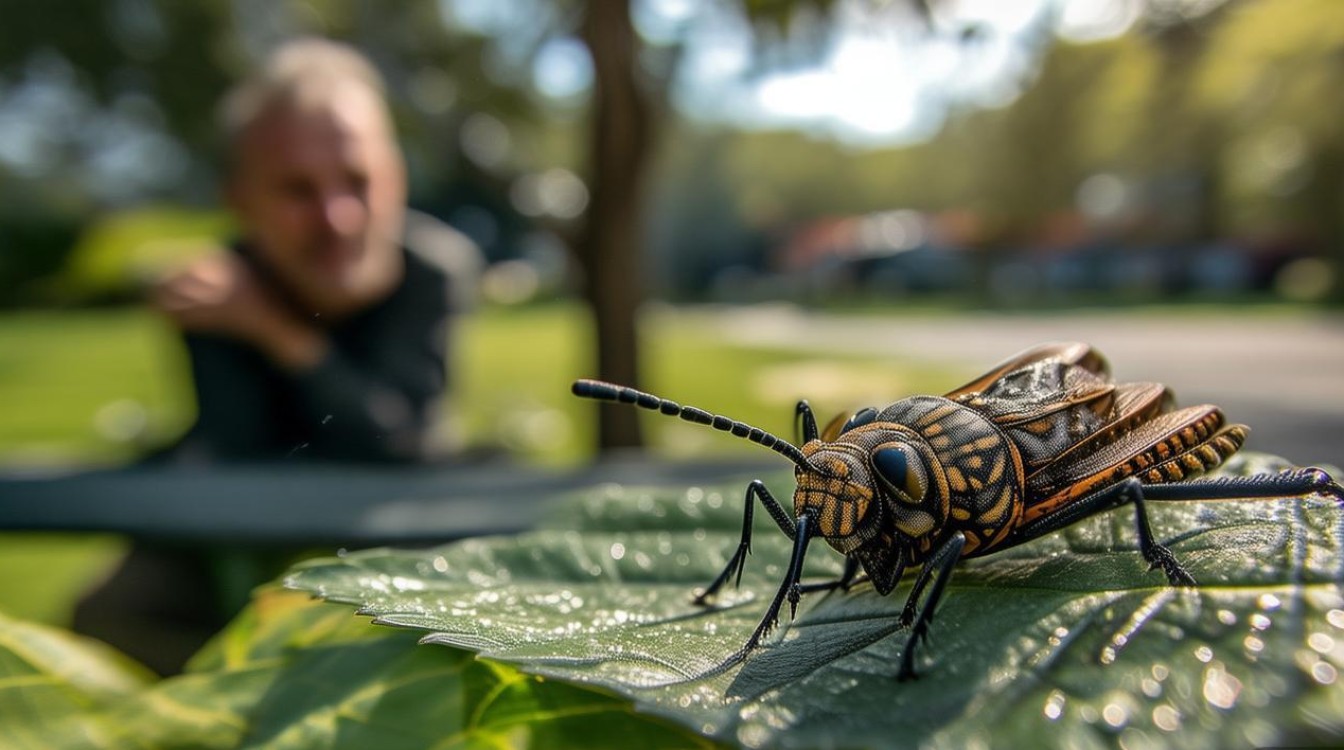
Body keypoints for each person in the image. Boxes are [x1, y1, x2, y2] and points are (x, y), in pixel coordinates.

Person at [153, 37, 476, 464]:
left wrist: (275, 332)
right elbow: (236, 455)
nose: (337, 220)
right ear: (239, 199)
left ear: (395, 179)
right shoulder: (217, 289)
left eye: (358, 181)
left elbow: (399, 447)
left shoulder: (432, 269)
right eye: (298, 190)